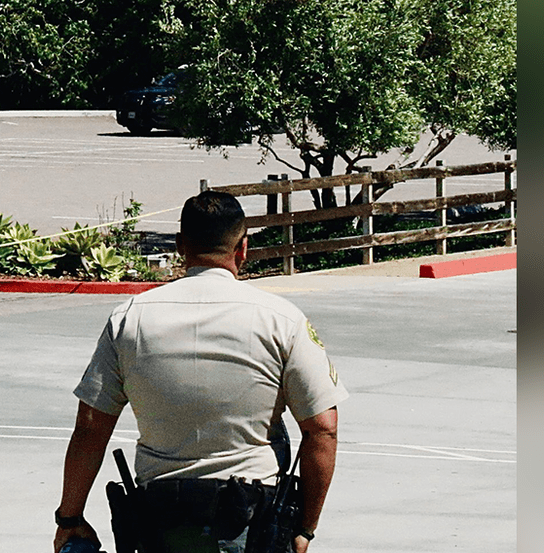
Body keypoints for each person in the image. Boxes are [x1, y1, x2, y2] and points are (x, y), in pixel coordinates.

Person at [53, 190, 348, 553]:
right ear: (243, 247)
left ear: (180, 245)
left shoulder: (130, 319)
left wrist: (70, 518)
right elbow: (323, 428)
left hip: (159, 520)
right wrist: (304, 528)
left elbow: (90, 427)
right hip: (250, 522)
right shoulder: (281, 319)